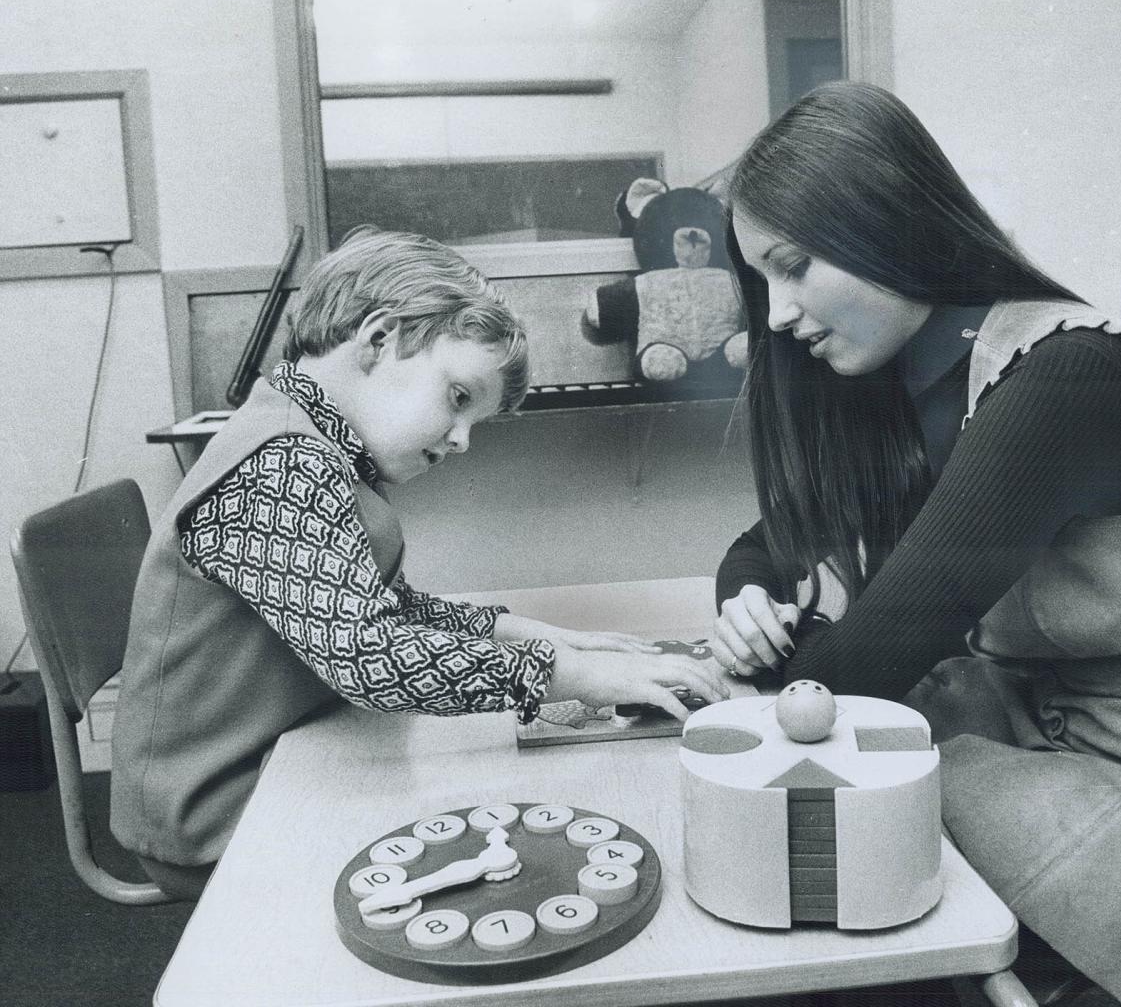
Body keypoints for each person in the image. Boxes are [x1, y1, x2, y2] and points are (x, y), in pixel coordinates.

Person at [711, 82, 1121, 1007]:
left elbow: (859, 673)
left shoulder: (1068, 379)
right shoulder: (917, 383)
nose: (778, 314)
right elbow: (769, 542)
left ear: (885, 222)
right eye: (762, 282)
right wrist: (745, 602)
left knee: (848, 843)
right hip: (1100, 764)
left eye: (795, 266)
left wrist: (777, 668)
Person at [111, 227, 728, 899]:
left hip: (281, 756)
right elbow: (370, 655)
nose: (461, 441)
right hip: (220, 805)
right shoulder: (282, 461)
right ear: (379, 341)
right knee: (523, 834)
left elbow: (391, 608)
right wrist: (572, 675)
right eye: (458, 398)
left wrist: (532, 635)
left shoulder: (308, 439)